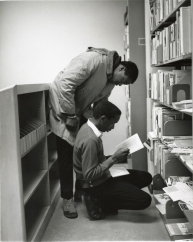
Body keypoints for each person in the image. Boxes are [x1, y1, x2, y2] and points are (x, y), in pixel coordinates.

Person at [48, 47, 139, 219]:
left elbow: (100, 103)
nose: (120, 85)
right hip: (62, 107)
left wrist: (101, 123)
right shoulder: (93, 60)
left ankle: (81, 190)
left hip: (79, 110)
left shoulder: (110, 80)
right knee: (66, 153)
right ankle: (67, 198)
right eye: (123, 81)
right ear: (120, 69)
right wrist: (69, 114)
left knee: (85, 148)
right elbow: (65, 84)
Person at [73, 101, 152, 220]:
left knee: (146, 177)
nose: (113, 127)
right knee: (144, 200)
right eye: (113, 123)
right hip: (94, 185)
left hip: (103, 176)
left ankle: (107, 198)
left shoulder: (87, 127)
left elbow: (94, 159)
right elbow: (89, 175)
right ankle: (96, 201)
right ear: (103, 119)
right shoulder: (91, 140)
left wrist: (115, 157)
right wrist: (114, 158)